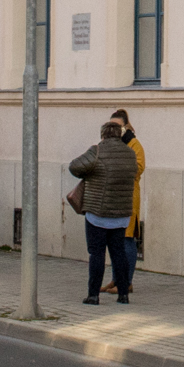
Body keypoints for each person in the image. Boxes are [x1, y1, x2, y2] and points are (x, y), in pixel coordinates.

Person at [71, 119, 141, 305]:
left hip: (98, 214)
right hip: (121, 214)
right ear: (119, 135)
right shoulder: (130, 153)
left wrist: (90, 173)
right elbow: (134, 173)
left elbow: (74, 166)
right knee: (119, 254)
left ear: (103, 135)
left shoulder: (97, 151)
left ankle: (93, 295)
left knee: (97, 254)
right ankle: (123, 294)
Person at [106, 109, 147, 293]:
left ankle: (126, 282)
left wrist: (118, 167)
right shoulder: (109, 144)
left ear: (126, 126)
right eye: (111, 126)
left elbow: (138, 168)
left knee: (127, 239)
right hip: (113, 196)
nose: (114, 130)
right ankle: (116, 279)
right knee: (114, 240)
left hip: (128, 197)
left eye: (117, 126)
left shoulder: (134, 144)